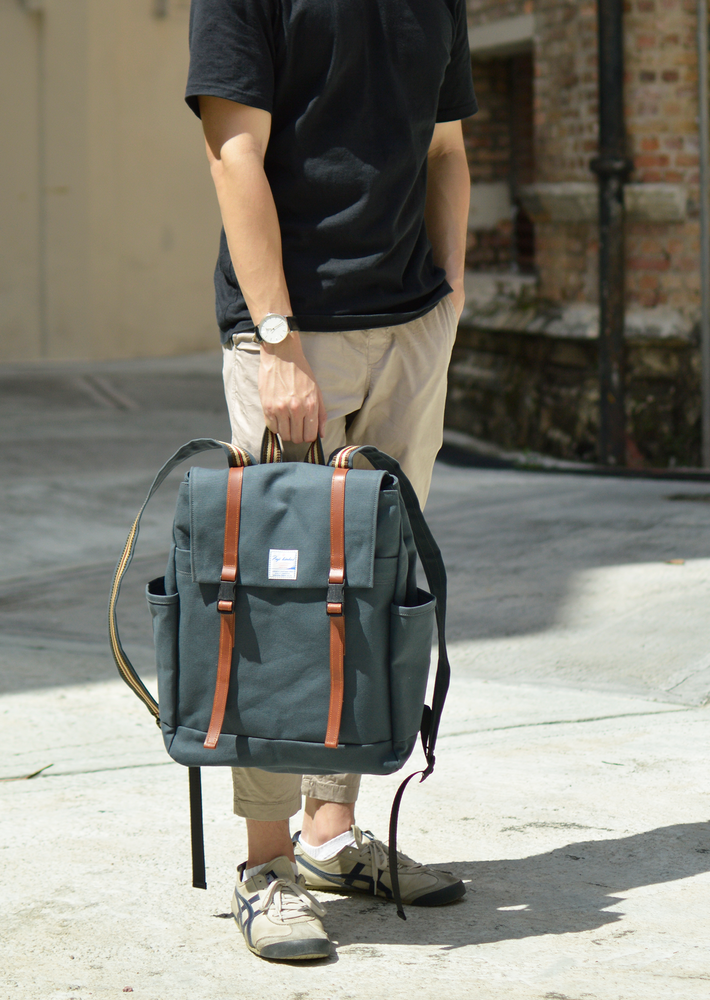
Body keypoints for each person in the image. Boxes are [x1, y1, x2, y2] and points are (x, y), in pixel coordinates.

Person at [185, 0, 478, 961]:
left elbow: (445, 147)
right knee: (276, 607)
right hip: (293, 337)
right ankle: (266, 866)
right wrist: (275, 341)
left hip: (411, 328)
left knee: (373, 596)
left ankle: (330, 836)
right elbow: (233, 152)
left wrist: (449, 296)